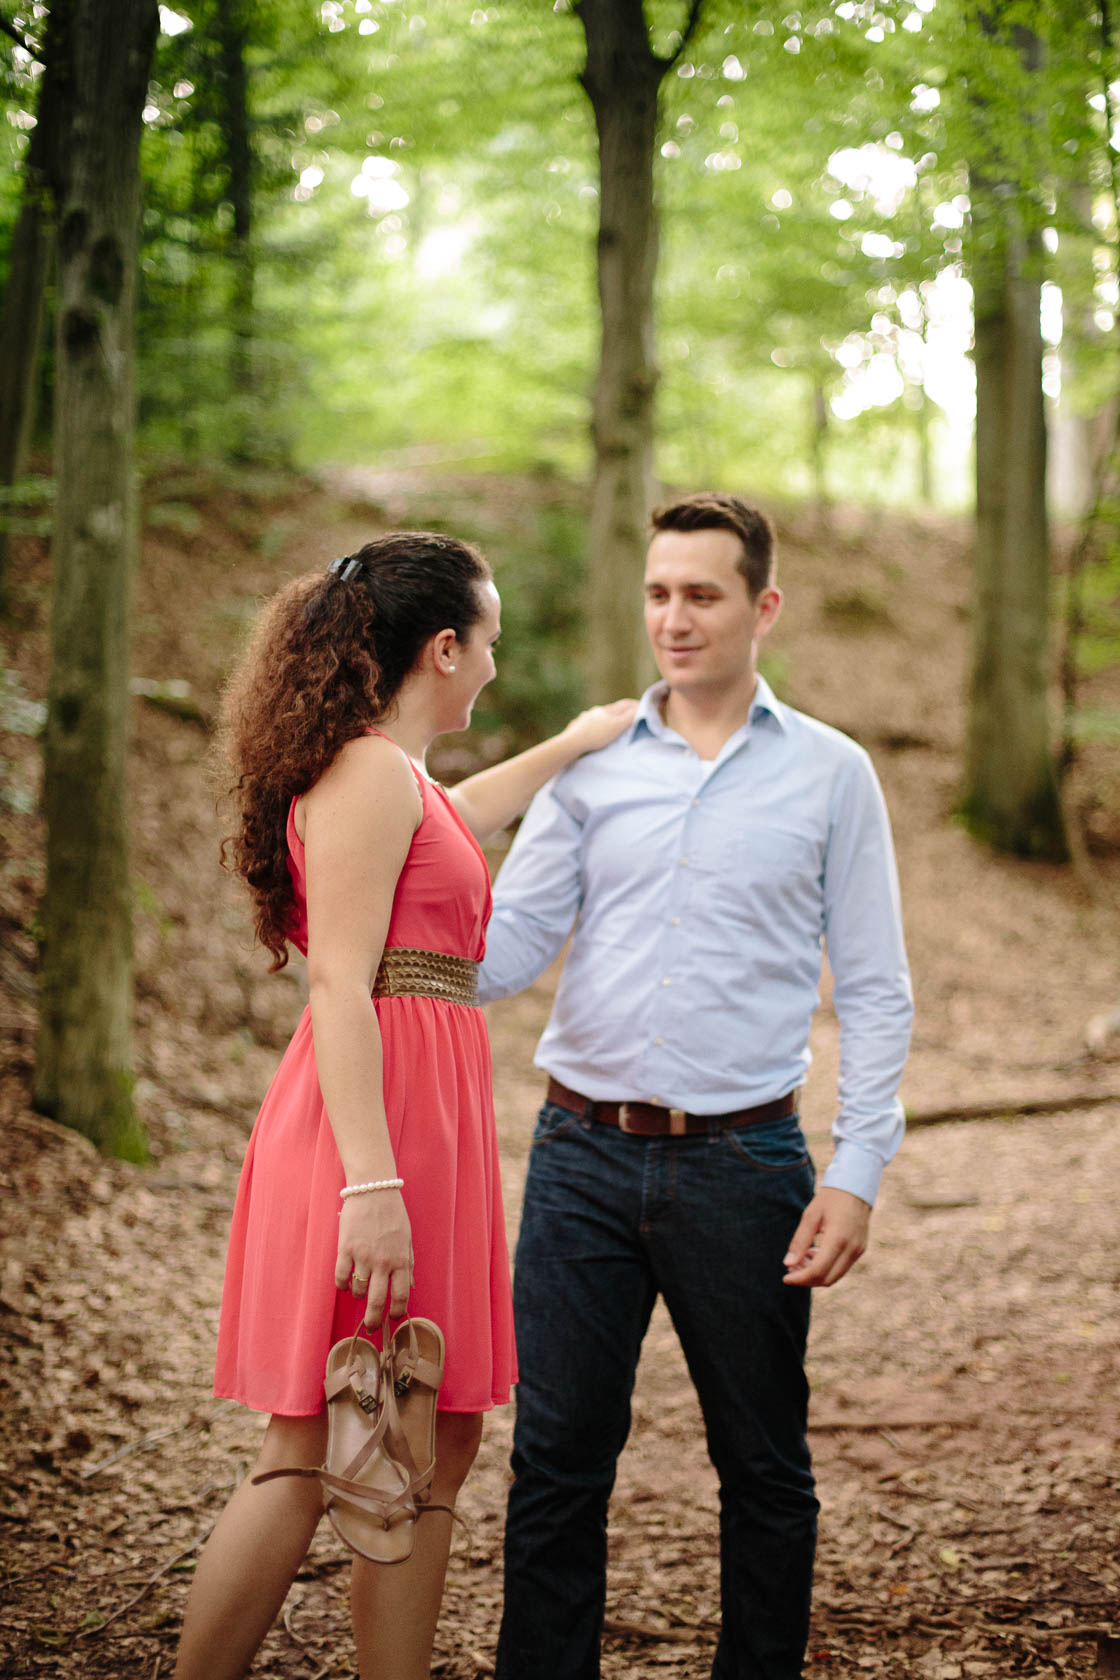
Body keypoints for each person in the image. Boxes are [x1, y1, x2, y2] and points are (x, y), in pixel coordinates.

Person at [172, 531, 636, 1680]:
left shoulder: (397, 777)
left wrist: (573, 746)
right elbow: (339, 977)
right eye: (491, 641)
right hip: (369, 1130)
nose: (494, 661)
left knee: (436, 1434)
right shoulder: (370, 772)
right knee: (306, 1448)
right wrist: (371, 1184)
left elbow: (456, 815)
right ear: (445, 646)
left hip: (421, 1116)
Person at [479, 493, 914, 1680]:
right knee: (557, 1465)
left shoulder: (833, 775)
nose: (674, 619)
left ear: (762, 606)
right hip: (578, 1158)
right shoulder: (593, 763)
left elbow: (875, 990)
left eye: (702, 595)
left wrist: (858, 1174)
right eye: (659, 594)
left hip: (747, 1167)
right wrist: (382, 931)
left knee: (766, 1470)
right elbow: (506, 951)